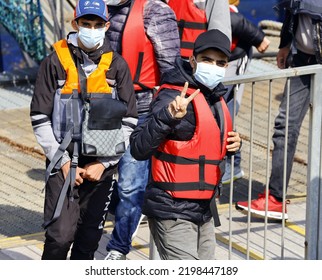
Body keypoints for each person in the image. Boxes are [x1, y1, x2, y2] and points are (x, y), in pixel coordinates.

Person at [30, 0, 137, 260]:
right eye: (86, 24)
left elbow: (130, 120)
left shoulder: (118, 66)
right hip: (63, 163)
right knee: (59, 237)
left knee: (88, 241)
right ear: (74, 24)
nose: (92, 29)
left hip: (101, 167)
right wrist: (63, 162)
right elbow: (39, 116)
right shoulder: (54, 62)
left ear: (107, 26)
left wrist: (104, 162)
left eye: (98, 24)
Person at [130, 29, 242, 260]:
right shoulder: (172, 96)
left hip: (204, 210)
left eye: (220, 62)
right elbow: (139, 147)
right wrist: (169, 115)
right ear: (192, 60)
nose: (213, 66)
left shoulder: (216, 97)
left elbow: (208, 146)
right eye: (207, 60)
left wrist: (233, 144)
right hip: (171, 208)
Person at [103, 0, 180, 260]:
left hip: (141, 111)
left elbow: (171, 69)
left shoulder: (155, 11)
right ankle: (133, 208)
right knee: (99, 178)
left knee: (129, 186)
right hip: (102, 107)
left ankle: (118, 247)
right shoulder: (95, 8)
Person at [236, 0, 322, 220]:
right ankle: (275, 198)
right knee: (284, 125)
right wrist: (285, 44)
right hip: (303, 61)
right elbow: (292, 10)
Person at [221, 4, 270, 184]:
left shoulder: (227, 11)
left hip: (235, 61)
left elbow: (236, 21)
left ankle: (233, 166)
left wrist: (259, 38)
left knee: (227, 112)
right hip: (219, 60)